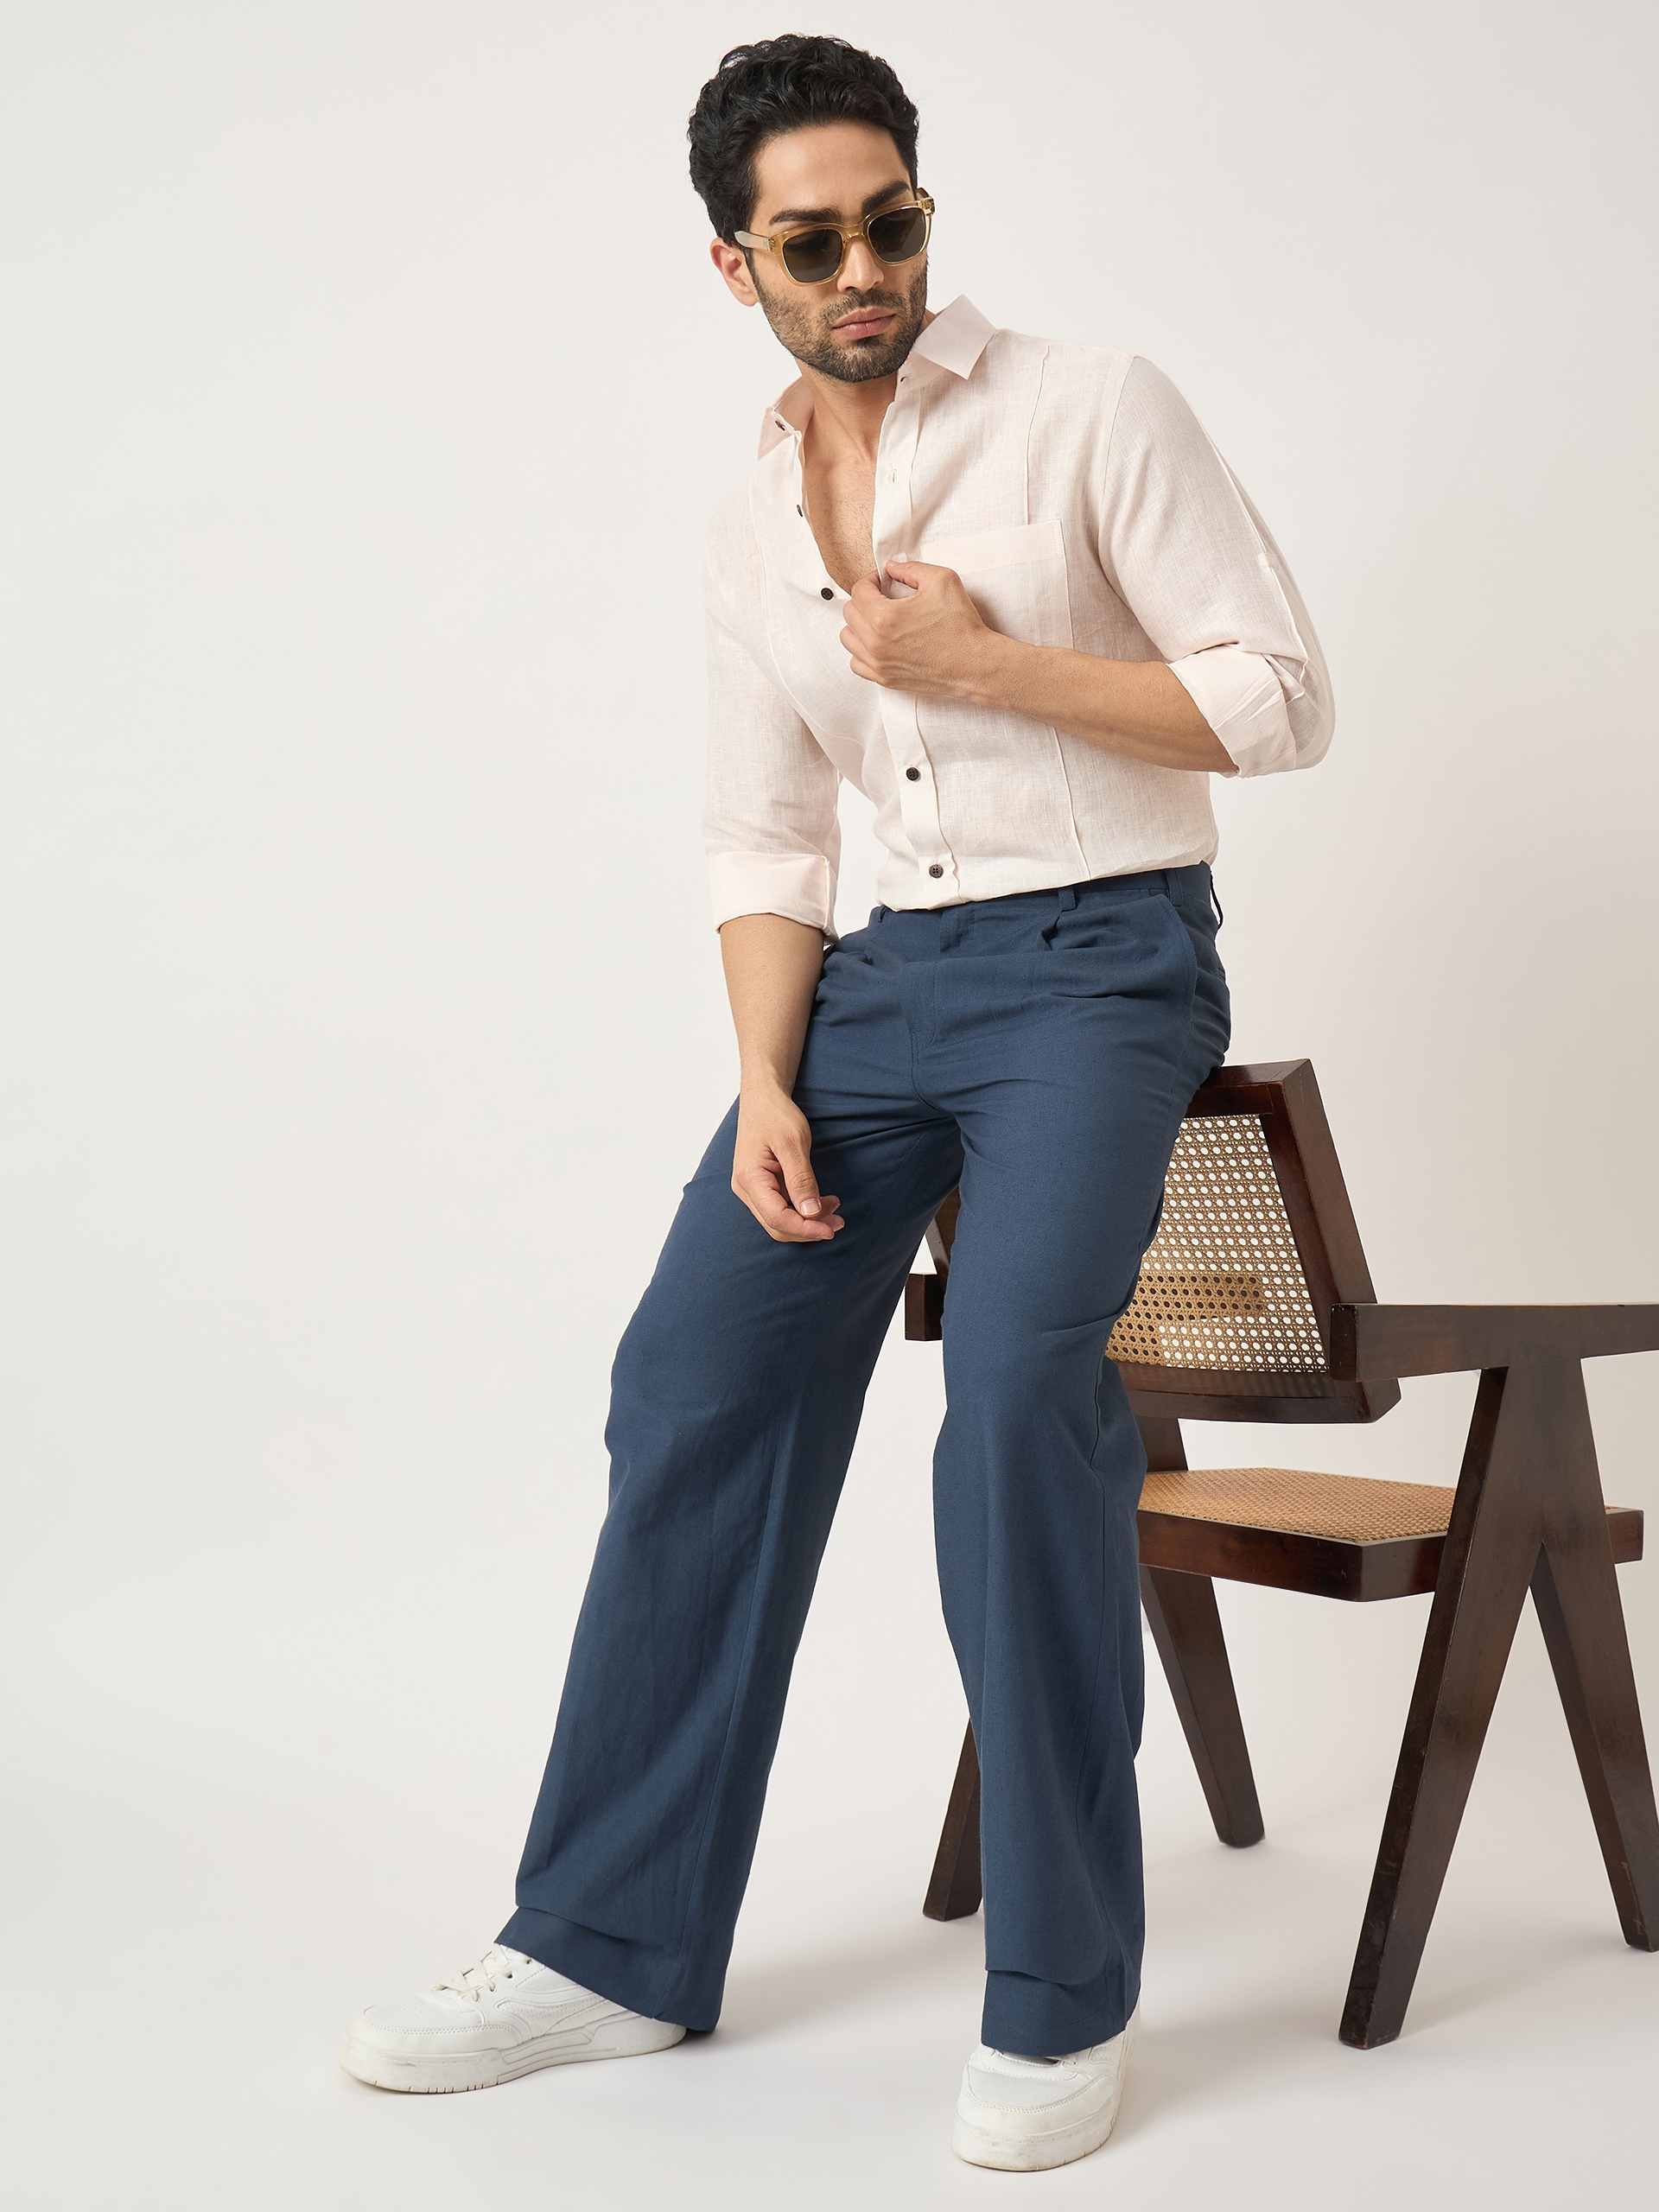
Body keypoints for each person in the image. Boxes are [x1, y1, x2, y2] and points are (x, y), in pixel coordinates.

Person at [340, 32, 1333, 2171]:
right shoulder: (744, 514)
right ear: (738, 265)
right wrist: (765, 1077)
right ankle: (608, 1940)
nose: (866, 266)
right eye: (815, 241)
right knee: (692, 1371)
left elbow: (1280, 699)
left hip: (1104, 962)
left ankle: (1062, 1989)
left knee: (1018, 1390)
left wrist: (991, 669)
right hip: (882, 984)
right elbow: (769, 829)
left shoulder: (1090, 406)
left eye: (894, 220)